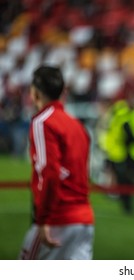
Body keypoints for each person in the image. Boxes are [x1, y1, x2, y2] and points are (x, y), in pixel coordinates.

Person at [19, 65, 94, 260]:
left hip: (56, 219)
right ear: (63, 92)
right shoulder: (78, 126)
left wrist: (43, 219)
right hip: (84, 221)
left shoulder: (43, 121)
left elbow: (50, 172)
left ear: (34, 93)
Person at [97, 96, 134, 214]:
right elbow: (132, 135)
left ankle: (124, 200)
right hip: (127, 152)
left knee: (125, 177)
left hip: (125, 152)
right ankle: (125, 202)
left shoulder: (123, 116)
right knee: (126, 177)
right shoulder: (126, 117)